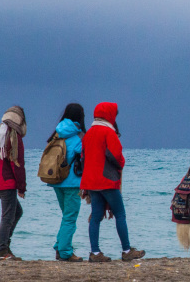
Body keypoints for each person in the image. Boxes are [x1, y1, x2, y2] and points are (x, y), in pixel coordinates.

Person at [80, 102, 145, 263]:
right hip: (107, 180)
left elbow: (83, 157)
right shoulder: (109, 132)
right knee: (120, 214)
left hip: (91, 182)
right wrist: (121, 163)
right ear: (109, 115)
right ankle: (126, 250)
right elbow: (115, 155)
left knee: (95, 217)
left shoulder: (88, 134)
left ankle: (94, 252)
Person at [47, 103, 87, 261]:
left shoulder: (58, 132)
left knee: (66, 216)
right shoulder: (78, 136)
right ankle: (65, 252)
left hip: (57, 181)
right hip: (72, 183)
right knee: (70, 217)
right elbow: (83, 156)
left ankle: (59, 246)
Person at [0, 106, 27, 260]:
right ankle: (3, 250)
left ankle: (5, 247)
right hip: (7, 181)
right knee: (8, 216)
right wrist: (21, 187)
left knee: (16, 212)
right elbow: (17, 163)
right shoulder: (14, 135)